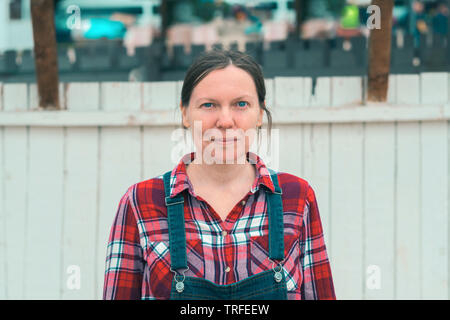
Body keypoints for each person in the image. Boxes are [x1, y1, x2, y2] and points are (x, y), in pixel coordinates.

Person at [103, 49, 336, 300]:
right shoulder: (141, 201)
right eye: (209, 105)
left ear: (259, 113)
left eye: (241, 104)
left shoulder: (297, 198)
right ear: (185, 113)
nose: (225, 121)